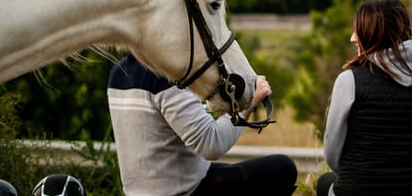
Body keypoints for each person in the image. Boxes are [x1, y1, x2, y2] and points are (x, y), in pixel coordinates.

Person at [317, 0, 412, 196]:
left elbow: (332, 157)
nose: (352, 38)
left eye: (359, 30)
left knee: (325, 182)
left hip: (358, 190)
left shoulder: (349, 81)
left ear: (374, 34)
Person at [107, 54, 298, 196]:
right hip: (189, 190)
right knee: (283, 167)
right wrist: (249, 104)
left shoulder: (118, 72)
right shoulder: (166, 78)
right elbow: (212, 144)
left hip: (139, 191)